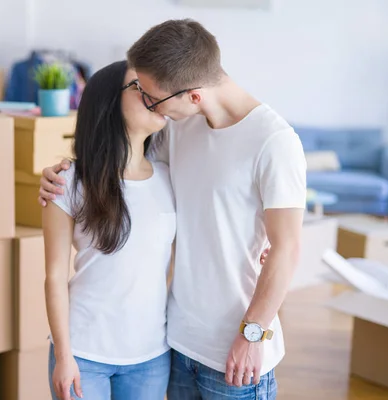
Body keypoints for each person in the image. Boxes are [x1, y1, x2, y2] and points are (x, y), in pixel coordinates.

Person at [40, 19, 306, 400]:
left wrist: (253, 334)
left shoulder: (274, 143)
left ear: (192, 96)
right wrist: (57, 174)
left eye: (151, 96)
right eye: (140, 93)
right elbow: (120, 171)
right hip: (178, 345)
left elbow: (288, 249)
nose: (150, 105)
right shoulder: (180, 129)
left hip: (234, 354)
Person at [43, 60, 174, 400]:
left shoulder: (170, 178)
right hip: (84, 355)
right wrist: (64, 355)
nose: (154, 95)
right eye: (138, 86)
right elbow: (55, 277)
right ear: (107, 102)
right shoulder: (69, 181)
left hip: (151, 355)